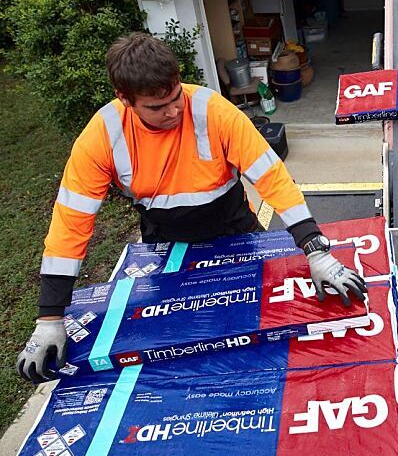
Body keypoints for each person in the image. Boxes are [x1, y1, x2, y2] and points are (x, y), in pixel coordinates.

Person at [16, 33, 366, 383]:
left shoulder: (213, 111)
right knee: (178, 353)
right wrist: (50, 317)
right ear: (125, 99)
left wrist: (315, 250)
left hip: (236, 231)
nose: (172, 112)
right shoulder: (103, 136)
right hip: (166, 245)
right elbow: (71, 222)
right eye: (156, 107)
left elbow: (273, 179)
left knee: (262, 337)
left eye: (174, 98)